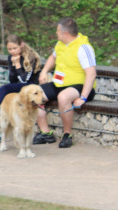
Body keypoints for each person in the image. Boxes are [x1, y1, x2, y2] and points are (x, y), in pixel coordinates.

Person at [34, 17, 98, 149]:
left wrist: (83, 98)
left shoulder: (83, 47)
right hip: (59, 84)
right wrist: (44, 71)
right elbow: (53, 57)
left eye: (57, 31)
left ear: (66, 34)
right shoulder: (60, 44)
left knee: (63, 97)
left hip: (81, 87)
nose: (56, 33)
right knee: (34, 94)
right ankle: (46, 133)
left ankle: (67, 135)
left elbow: (91, 74)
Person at [0, 34, 42, 130]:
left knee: (7, 90)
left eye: (15, 48)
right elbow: (12, 80)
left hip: (32, 87)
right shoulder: (11, 58)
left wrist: (17, 64)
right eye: (10, 49)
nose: (12, 51)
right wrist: (13, 65)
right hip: (20, 86)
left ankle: (4, 129)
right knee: (4, 90)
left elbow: (25, 80)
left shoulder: (31, 57)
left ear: (21, 45)